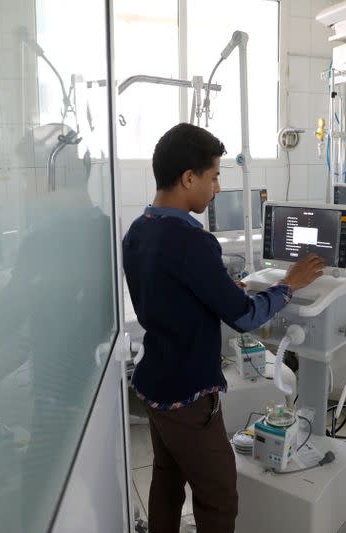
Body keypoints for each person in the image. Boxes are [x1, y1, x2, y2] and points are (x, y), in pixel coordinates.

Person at [122, 123, 324, 533]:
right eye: (214, 176)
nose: (216, 187)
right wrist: (289, 284)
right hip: (187, 395)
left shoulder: (138, 231)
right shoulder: (193, 242)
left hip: (153, 383)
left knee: (167, 479)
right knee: (219, 496)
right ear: (188, 178)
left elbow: (167, 294)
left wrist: (218, 288)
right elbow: (246, 318)